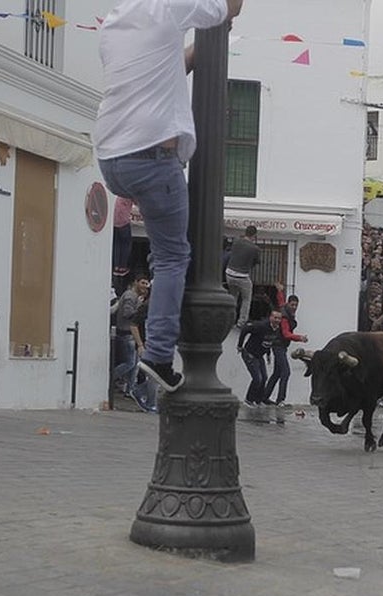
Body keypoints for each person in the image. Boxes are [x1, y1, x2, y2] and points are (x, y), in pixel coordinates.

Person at [95, 0, 244, 394]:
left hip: (111, 158)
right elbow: (231, 8)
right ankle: (158, 354)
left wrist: (202, 47)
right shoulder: (169, 6)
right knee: (173, 257)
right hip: (153, 156)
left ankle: (140, 321)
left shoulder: (113, 23)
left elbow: (165, 69)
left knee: (165, 250)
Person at [263, 293, 307, 407]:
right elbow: (286, 334)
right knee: (285, 372)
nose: (294, 307)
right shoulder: (284, 317)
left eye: (296, 305)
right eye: (292, 304)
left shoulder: (284, 308)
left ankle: (264, 397)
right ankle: (280, 400)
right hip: (279, 346)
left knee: (277, 373)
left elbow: (280, 300)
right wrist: (300, 338)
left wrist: (279, 290)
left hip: (280, 346)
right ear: (289, 303)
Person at [112, 276, 150, 401]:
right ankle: (109, 378)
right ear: (136, 282)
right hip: (127, 333)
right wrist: (140, 307)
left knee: (134, 364)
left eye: (147, 283)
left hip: (131, 334)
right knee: (130, 363)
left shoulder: (133, 297)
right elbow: (127, 314)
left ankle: (130, 389)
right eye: (143, 282)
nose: (145, 285)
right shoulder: (130, 296)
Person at [237, 309, 282, 406]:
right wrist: (240, 345)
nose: (277, 320)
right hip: (249, 353)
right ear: (270, 317)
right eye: (275, 318)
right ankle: (248, 400)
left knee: (264, 377)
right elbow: (245, 329)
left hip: (259, 355)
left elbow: (268, 342)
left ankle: (258, 400)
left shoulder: (277, 329)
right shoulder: (261, 326)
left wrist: (268, 354)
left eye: (279, 318)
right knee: (257, 378)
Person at [225, 225, 260, 328]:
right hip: (242, 276)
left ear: (245, 232)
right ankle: (241, 322)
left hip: (229, 273)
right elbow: (256, 262)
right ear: (254, 235)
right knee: (246, 299)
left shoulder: (236, 241)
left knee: (233, 296)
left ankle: (230, 320)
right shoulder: (255, 248)